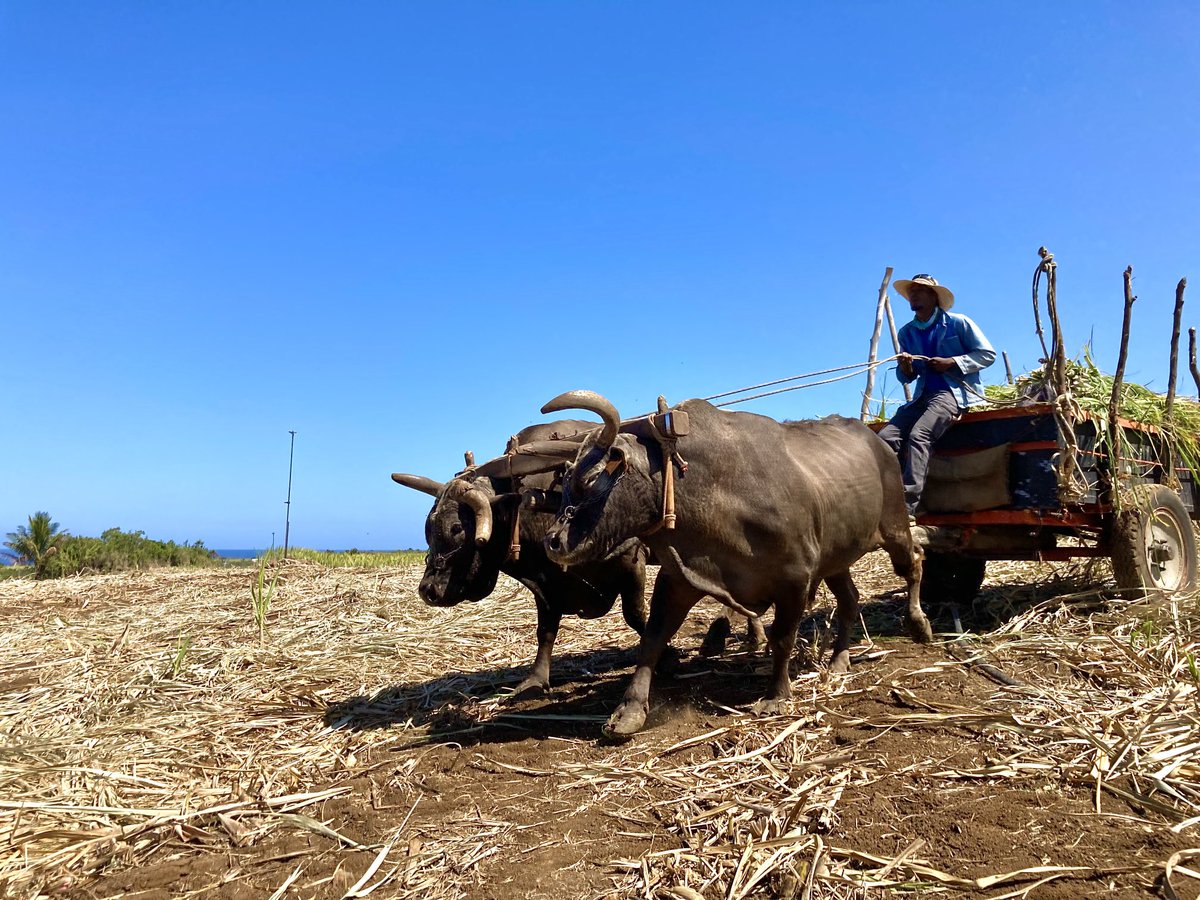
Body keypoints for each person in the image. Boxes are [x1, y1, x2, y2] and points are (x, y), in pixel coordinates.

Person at [878, 274, 996, 518]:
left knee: (919, 435)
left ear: (934, 297)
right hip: (923, 395)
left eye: (920, 290)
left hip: (952, 393)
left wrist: (952, 361)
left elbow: (987, 354)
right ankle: (881, 498)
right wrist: (906, 367)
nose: (914, 295)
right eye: (912, 291)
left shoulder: (958, 323)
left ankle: (907, 506)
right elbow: (906, 377)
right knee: (885, 438)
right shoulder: (907, 333)